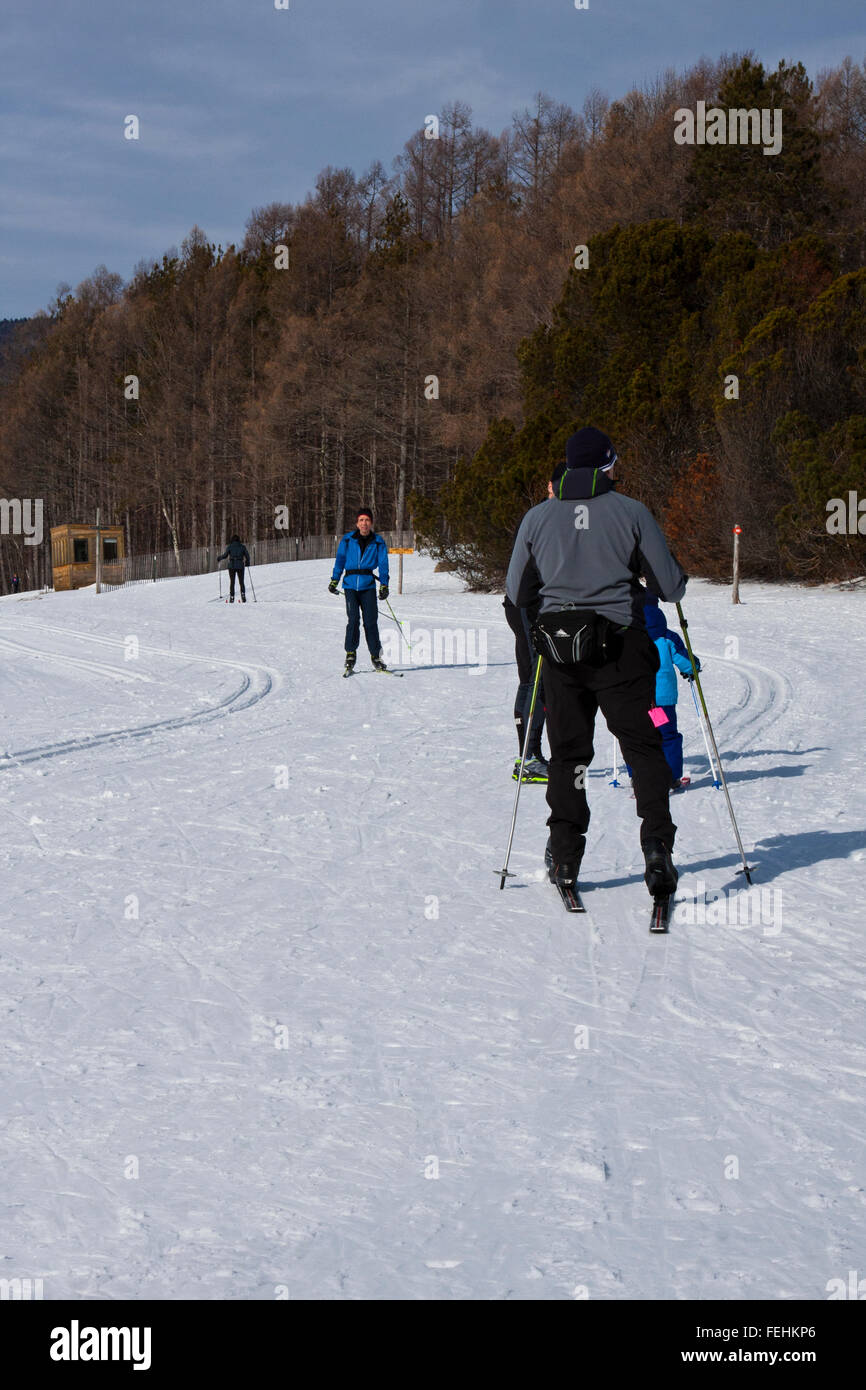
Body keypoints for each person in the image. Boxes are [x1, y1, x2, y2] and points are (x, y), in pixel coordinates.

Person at [505, 426, 687, 900]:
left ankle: (565, 855)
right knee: (642, 748)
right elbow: (668, 587)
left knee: (569, 756)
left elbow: (516, 592)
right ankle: (656, 847)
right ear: (607, 465)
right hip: (622, 651)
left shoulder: (537, 518)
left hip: (563, 654)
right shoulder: (631, 511)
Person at [628, 593, 701, 790]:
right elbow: (685, 661)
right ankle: (671, 777)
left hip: (634, 698)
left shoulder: (627, 634)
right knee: (667, 736)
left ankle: (637, 776)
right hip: (662, 700)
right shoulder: (667, 636)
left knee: (635, 737)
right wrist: (693, 668)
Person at [329, 509, 390, 675]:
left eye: (367, 520)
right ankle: (350, 653)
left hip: (368, 586)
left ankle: (376, 656)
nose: (364, 523)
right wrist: (335, 579)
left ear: (371, 523)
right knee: (353, 619)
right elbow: (340, 560)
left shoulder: (378, 541)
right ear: (357, 523)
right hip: (350, 586)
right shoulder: (348, 540)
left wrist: (384, 584)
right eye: (361, 520)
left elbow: (383, 563)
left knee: (371, 622)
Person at [503, 596, 548, 782]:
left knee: (529, 680)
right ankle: (530, 758)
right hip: (529, 605)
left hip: (520, 604)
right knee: (538, 680)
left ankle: (527, 757)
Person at [217, 535, 250, 602]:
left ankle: (232, 597)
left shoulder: (230, 546)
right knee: (241, 582)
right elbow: (247, 556)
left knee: (232, 582)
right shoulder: (242, 547)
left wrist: (219, 558)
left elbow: (225, 555)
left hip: (231, 566)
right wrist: (247, 562)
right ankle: (243, 595)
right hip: (240, 565)